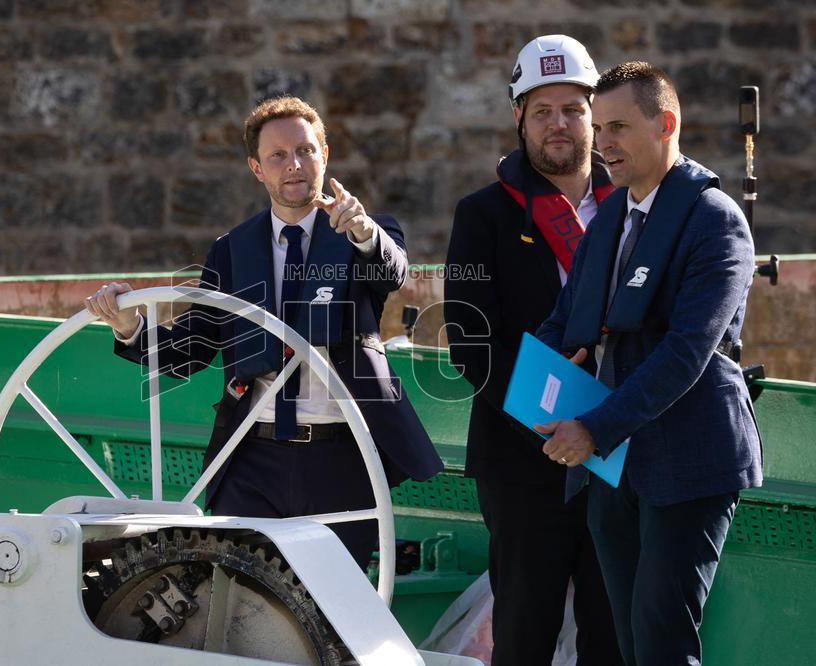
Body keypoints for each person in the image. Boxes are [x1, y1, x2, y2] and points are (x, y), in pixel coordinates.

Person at [85, 96, 443, 570]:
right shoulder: (232, 251)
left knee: (335, 608)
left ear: (325, 156)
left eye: (306, 150)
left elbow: (391, 273)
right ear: (257, 168)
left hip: (343, 456)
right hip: (251, 458)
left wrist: (363, 233)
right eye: (277, 155)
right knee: (241, 601)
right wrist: (130, 326)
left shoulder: (365, 233)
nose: (294, 165)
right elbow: (191, 351)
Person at [535, 62, 763, 665]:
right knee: (628, 644)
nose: (601, 143)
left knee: (663, 644)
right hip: (614, 465)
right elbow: (564, 321)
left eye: (617, 127)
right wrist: (542, 399)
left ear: (666, 124)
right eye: (599, 127)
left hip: (690, 460)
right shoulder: (610, 216)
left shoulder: (716, 221)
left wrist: (593, 428)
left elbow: (688, 351)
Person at [444, 35, 622, 665]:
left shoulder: (633, 205)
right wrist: (549, 421)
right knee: (524, 637)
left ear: (594, 116)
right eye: (542, 109)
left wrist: (600, 427)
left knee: (615, 637)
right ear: (518, 115)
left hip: (621, 452)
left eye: (573, 109)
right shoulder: (482, 215)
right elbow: (469, 342)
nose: (559, 125)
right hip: (523, 462)